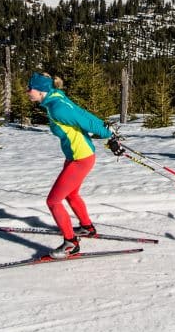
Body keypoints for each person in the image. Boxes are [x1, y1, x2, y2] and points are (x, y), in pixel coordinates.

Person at [26, 72, 124, 258]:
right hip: (76, 156)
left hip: (80, 158)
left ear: (41, 91)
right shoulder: (55, 98)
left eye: (30, 88)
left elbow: (82, 119)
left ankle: (71, 243)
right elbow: (81, 112)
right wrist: (104, 126)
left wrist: (107, 133)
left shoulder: (57, 108)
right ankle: (87, 228)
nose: (27, 91)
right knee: (71, 194)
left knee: (53, 201)